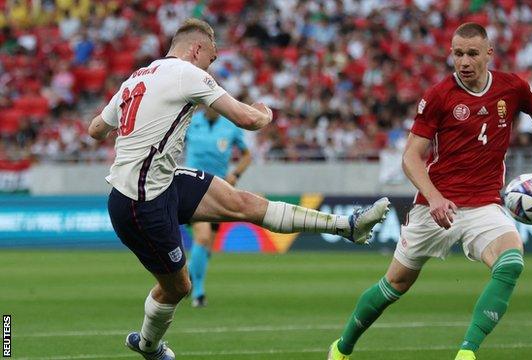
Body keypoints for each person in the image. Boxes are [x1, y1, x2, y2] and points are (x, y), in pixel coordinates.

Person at [87, 18, 390, 360]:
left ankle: (347, 227)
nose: (210, 67)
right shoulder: (188, 73)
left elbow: (96, 128)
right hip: (140, 204)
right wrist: (265, 113)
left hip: (162, 181)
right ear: (197, 49)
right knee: (177, 287)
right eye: (211, 59)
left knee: (244, 203)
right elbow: (249, 120)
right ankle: (148, 345)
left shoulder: (135, 79)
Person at [327, 22, 532, 360]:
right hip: (435, 206)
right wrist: (435, 197)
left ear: (488, 54)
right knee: (395, 284)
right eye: (457, 54)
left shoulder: (512, 88)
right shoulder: (439, 96)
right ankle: (341, 348)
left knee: (511, 262)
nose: (464, 62)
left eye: (471, 54)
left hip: (485, 205)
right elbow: (410, 157)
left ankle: (466, 353)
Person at [183, 105, 252, 308]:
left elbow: (247, 155)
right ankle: (198, 293)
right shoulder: (191, 122)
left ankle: (190, 270)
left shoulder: (230, 126)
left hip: (219, 190)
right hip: (192, 187)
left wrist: (236, 174)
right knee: (202, 237)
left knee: (207, 247)